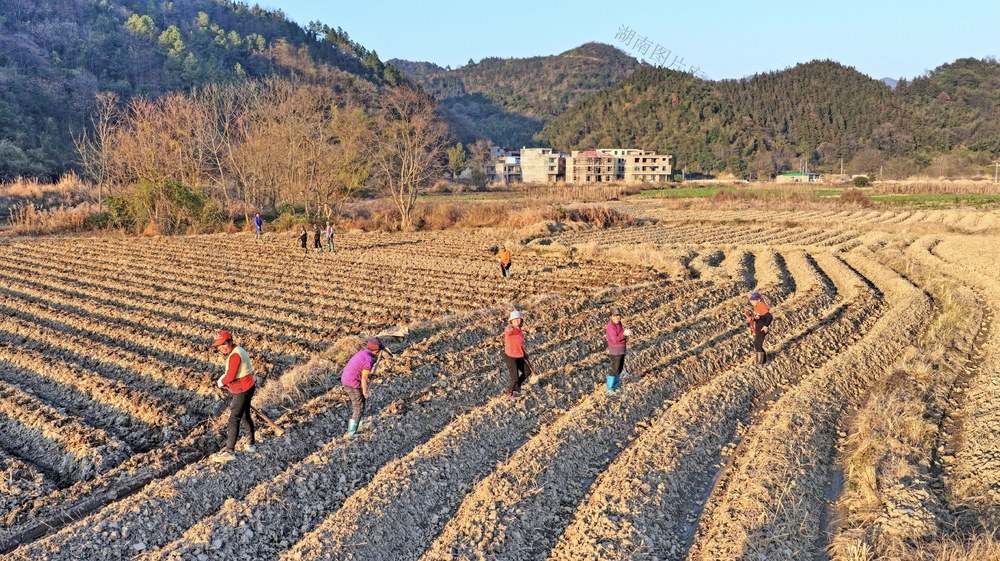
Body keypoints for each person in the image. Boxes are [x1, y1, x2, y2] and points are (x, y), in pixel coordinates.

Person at [210, 330, 257, 463]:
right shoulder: (238, 350)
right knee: (244, 415)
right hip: (248, 387)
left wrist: (221, 382)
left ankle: (229, 451)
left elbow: (230, 375)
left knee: (233, 418)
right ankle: (251, 444)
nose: (221, 348)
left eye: (223, 344)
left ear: (229, 341)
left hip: (242, 390)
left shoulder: (235, 355)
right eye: (219, 346)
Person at [342, 338, 384, 439]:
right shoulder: (369, 360)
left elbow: (363, 372)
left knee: (362, 402)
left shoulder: (364, 352)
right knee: (358, 405)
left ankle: (360, 423)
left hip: (350, 378)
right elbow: (364, 377)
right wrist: (365, 391)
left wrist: (369, 377)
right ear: (376, 351)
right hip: (351, 383)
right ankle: (351, 433)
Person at [502, 310, 534, 398]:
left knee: (527, 371)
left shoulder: (519, 330)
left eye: (519, 319)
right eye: (515, 319)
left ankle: (517, 385)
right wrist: (508, 326)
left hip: (519, 354)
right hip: (510, 356)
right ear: (511, 320)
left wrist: (524, 354)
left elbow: (520, 344)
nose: (517, 321)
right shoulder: (510, 330)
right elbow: (508, 331)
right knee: (514, 377)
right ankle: (509, 391)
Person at [605, 308, 630, 394]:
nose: (617, 318)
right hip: (615, 351)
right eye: (614, 316)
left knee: (619, 369)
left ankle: (616, 385)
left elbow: (620, 333)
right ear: (611, 317)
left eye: (618, 315)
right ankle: (609, 388)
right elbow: (614, 339)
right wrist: (624, 335)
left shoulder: (619, 324)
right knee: (614, 369)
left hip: (621, 349)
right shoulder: (610, 327)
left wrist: (624, 333)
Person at [746, 292, 773, 364]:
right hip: (758, 325)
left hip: (762, 326)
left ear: (758, 300)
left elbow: (769, 317)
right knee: (757, 344)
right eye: (751, 300)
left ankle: (760, 362)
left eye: (753, 300)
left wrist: (766, 326)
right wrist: (752, 318)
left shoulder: (761, 306)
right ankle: (763, 360)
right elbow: (758, 317)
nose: (752, 302)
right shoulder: (756, 306)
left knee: (758, 344)